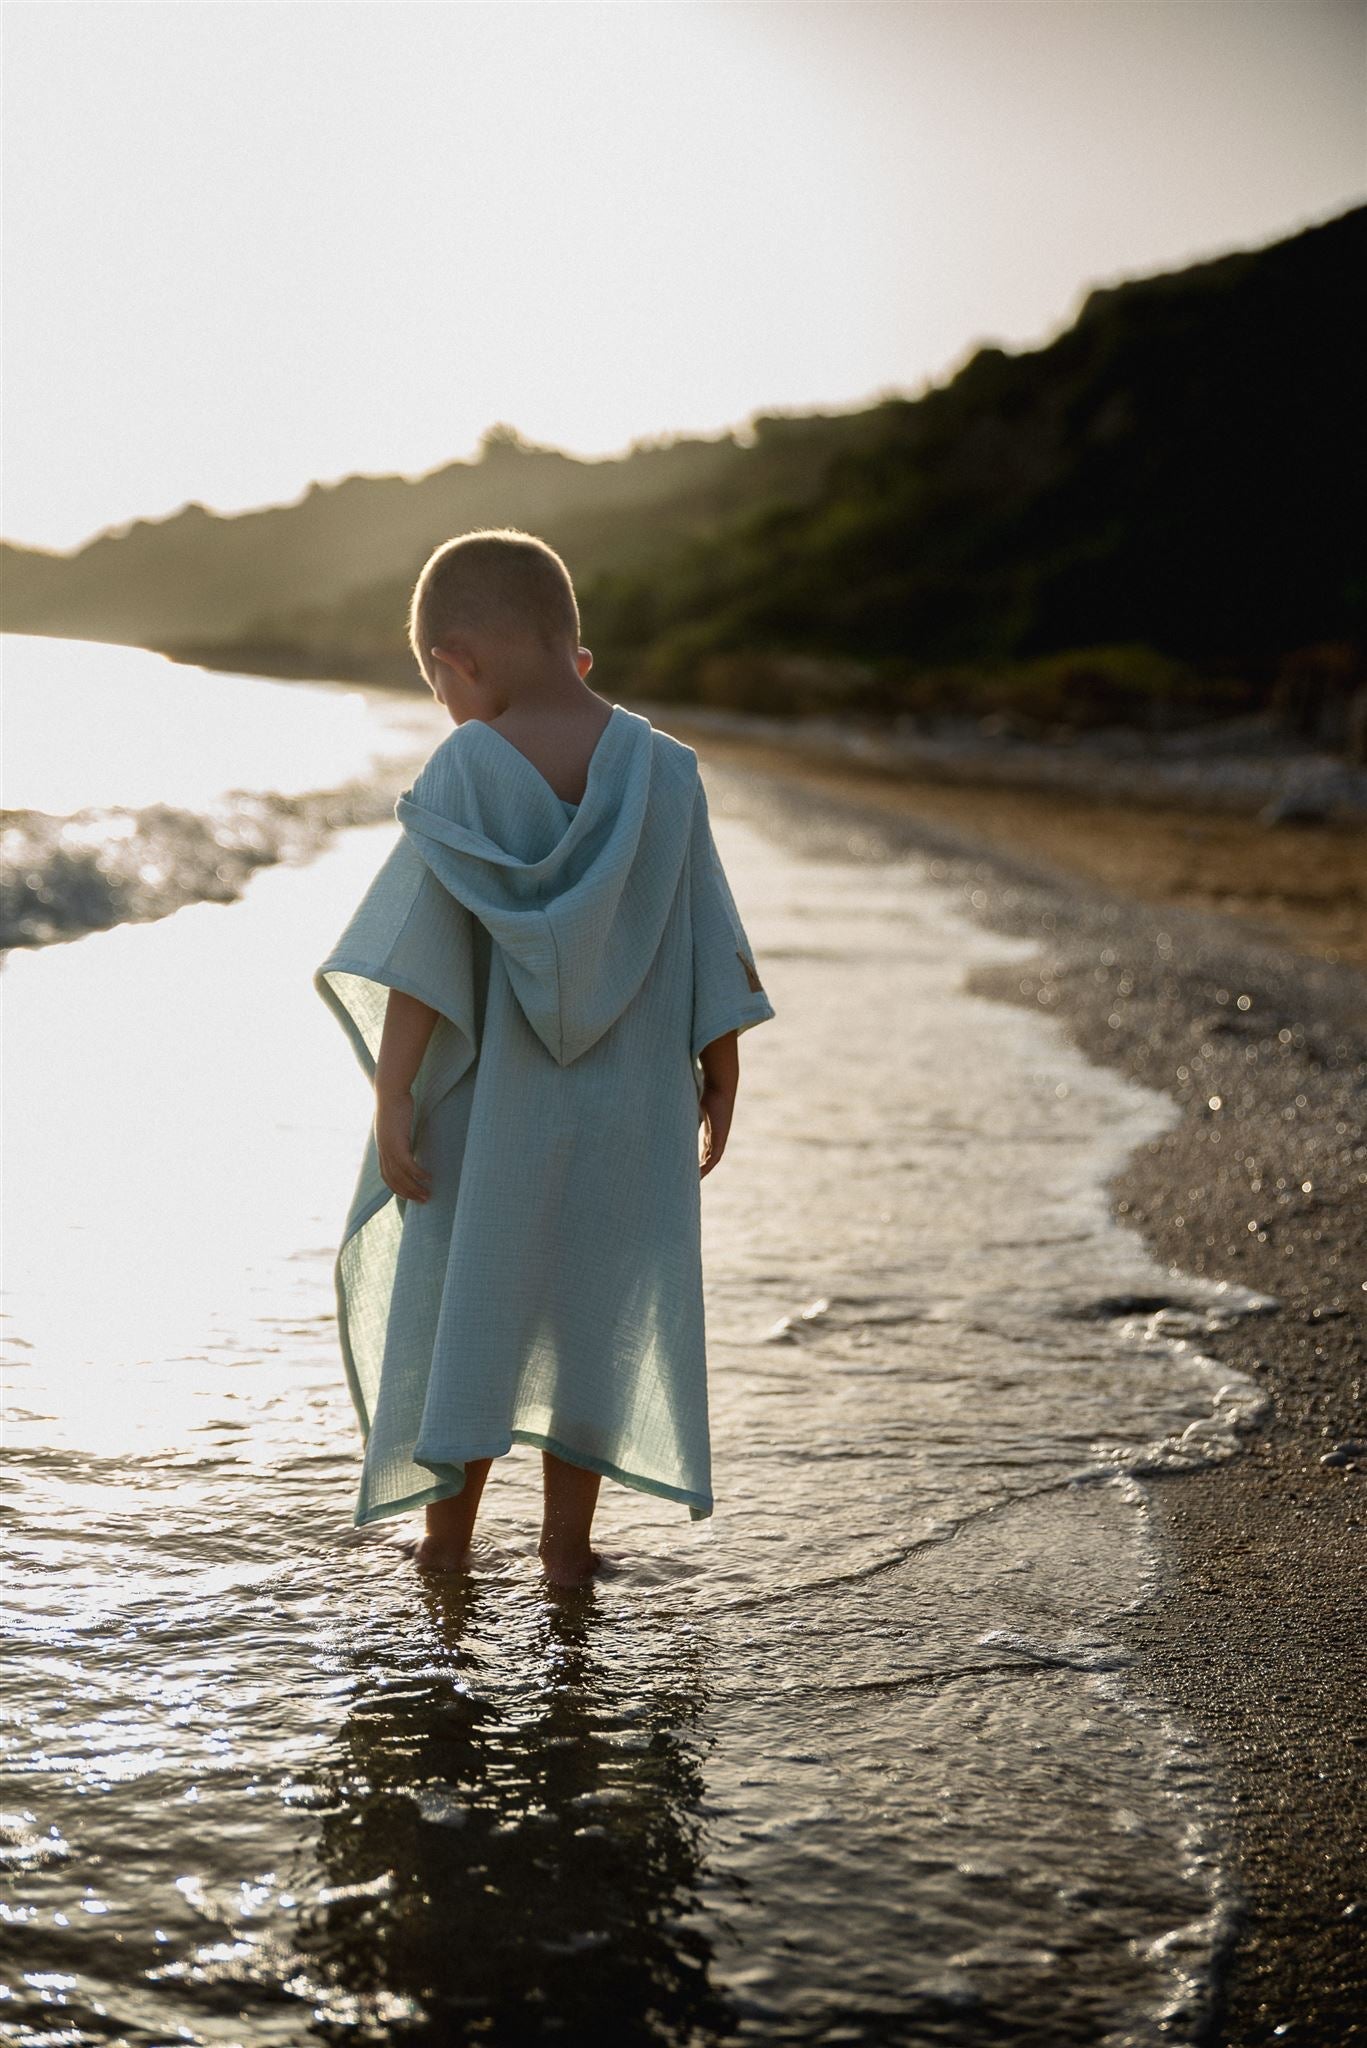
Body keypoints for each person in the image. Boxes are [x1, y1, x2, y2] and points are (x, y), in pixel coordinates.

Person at [315, 527, 776, 1586]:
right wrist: (720, 1068)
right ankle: (565, 1549)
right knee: (588, 1313)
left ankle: (446, 1544)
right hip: (629, 1106)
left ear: (460, 658)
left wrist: (392, 1095)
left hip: (490, 1113)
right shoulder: (665, 770)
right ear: (575, 650)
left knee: (471, 1304)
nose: (444, 702)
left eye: (435, 680)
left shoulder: (470, 765)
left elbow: (422, 955)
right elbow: (708, 930)